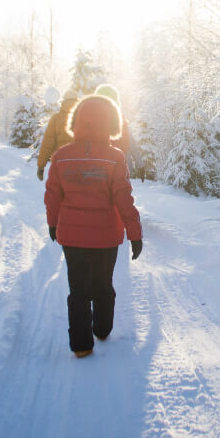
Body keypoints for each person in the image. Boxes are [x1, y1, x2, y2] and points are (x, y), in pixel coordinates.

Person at [44, 95, 143, 358]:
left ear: (76, 122)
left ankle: (81, 346)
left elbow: (52, 195)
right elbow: (124, 197)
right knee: (103, 284)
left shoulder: (61, 156)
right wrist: (135, 234)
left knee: (78, 290)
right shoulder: (115, 157)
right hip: (106, 237)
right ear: (110, 123)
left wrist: (53, 223)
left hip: (72, 237)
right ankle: (101, 329)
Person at [36, 91, 77, 180]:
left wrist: (41, 166)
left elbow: (48, 143)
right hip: (79, 164)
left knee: (58, 191)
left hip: (59, 163)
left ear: (63, 101)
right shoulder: (83, 117)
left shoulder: (56, 118)